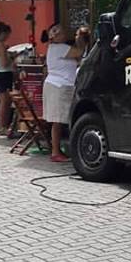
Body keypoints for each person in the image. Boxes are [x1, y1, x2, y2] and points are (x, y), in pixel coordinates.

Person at [42, 23, 90, 162]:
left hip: (60, 85)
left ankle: (56, 150)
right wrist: (81, 41)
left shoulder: (58, 47)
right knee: (58, 121)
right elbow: (79, 53)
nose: (63, 33)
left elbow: (77, 58)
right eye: (59, 32)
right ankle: (55, 152)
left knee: (59, 120)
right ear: (54, 36)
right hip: (59, 86)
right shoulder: (59, 48)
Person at [0, 22, 16, 129]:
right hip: (3, 73)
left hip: (1, 73)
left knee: (6, 101)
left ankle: (4, 124)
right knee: (4, 101)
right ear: (3, 33)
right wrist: (12, 58)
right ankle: (2, 125)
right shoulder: (0, 45)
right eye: (7, 34)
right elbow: (4, 63)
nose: (8, 37)